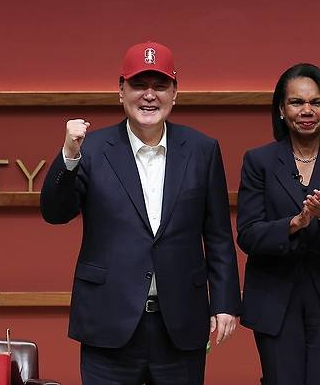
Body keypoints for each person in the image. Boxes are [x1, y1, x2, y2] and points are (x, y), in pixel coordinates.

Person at [40, 41, 241, 385]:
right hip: (109, 321)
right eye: (139, 85)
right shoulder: (92, 149)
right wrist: (69, 155)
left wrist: (225, 302)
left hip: (179, 322)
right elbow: (55, 212)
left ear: (175, 93)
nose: (150, 95)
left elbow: (219, 234)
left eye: (160, 86)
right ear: (121, 91)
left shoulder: (202, 150)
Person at [236, 63, 320, 385]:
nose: (306, 110)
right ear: (281, 110)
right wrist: (293, 224)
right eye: (297, 102)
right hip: (275, 301)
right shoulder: (259, 162)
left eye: (316, 102)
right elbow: (248, 234)